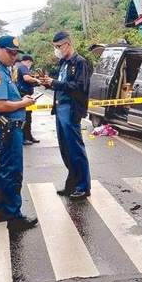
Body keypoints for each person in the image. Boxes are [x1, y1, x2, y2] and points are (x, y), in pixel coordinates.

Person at [0, 35, 38, 231]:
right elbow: (1, 105)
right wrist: (23, 103)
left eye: (16, 53)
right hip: (8, 127)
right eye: (10, 52)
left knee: (4, 170)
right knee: (13, 172)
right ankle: (14, 217)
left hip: (9, 127)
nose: (13, 56)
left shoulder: (4, 70)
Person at [39, 31, 92, 200]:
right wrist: (49, 83)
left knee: (76, 149)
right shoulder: (63, 63)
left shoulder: (80, 63)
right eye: (55, 47)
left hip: (71, 109)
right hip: (60, 108)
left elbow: (79, 86)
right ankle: (72, 184)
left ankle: (83, 186)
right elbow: (62, 83)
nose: (57, 50)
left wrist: (56, 83)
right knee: (66, 150)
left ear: (68, 44)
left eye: (58, 46)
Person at [17, 54, 42, 145]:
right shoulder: (23, 67)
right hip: (24, 95)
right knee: (25, 118)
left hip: (26, 95)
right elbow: (26, 78)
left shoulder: (21, 67)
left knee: (28, 118)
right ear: (29, 61)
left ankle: (29, 137)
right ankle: (24, 138)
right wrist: (36, 80)